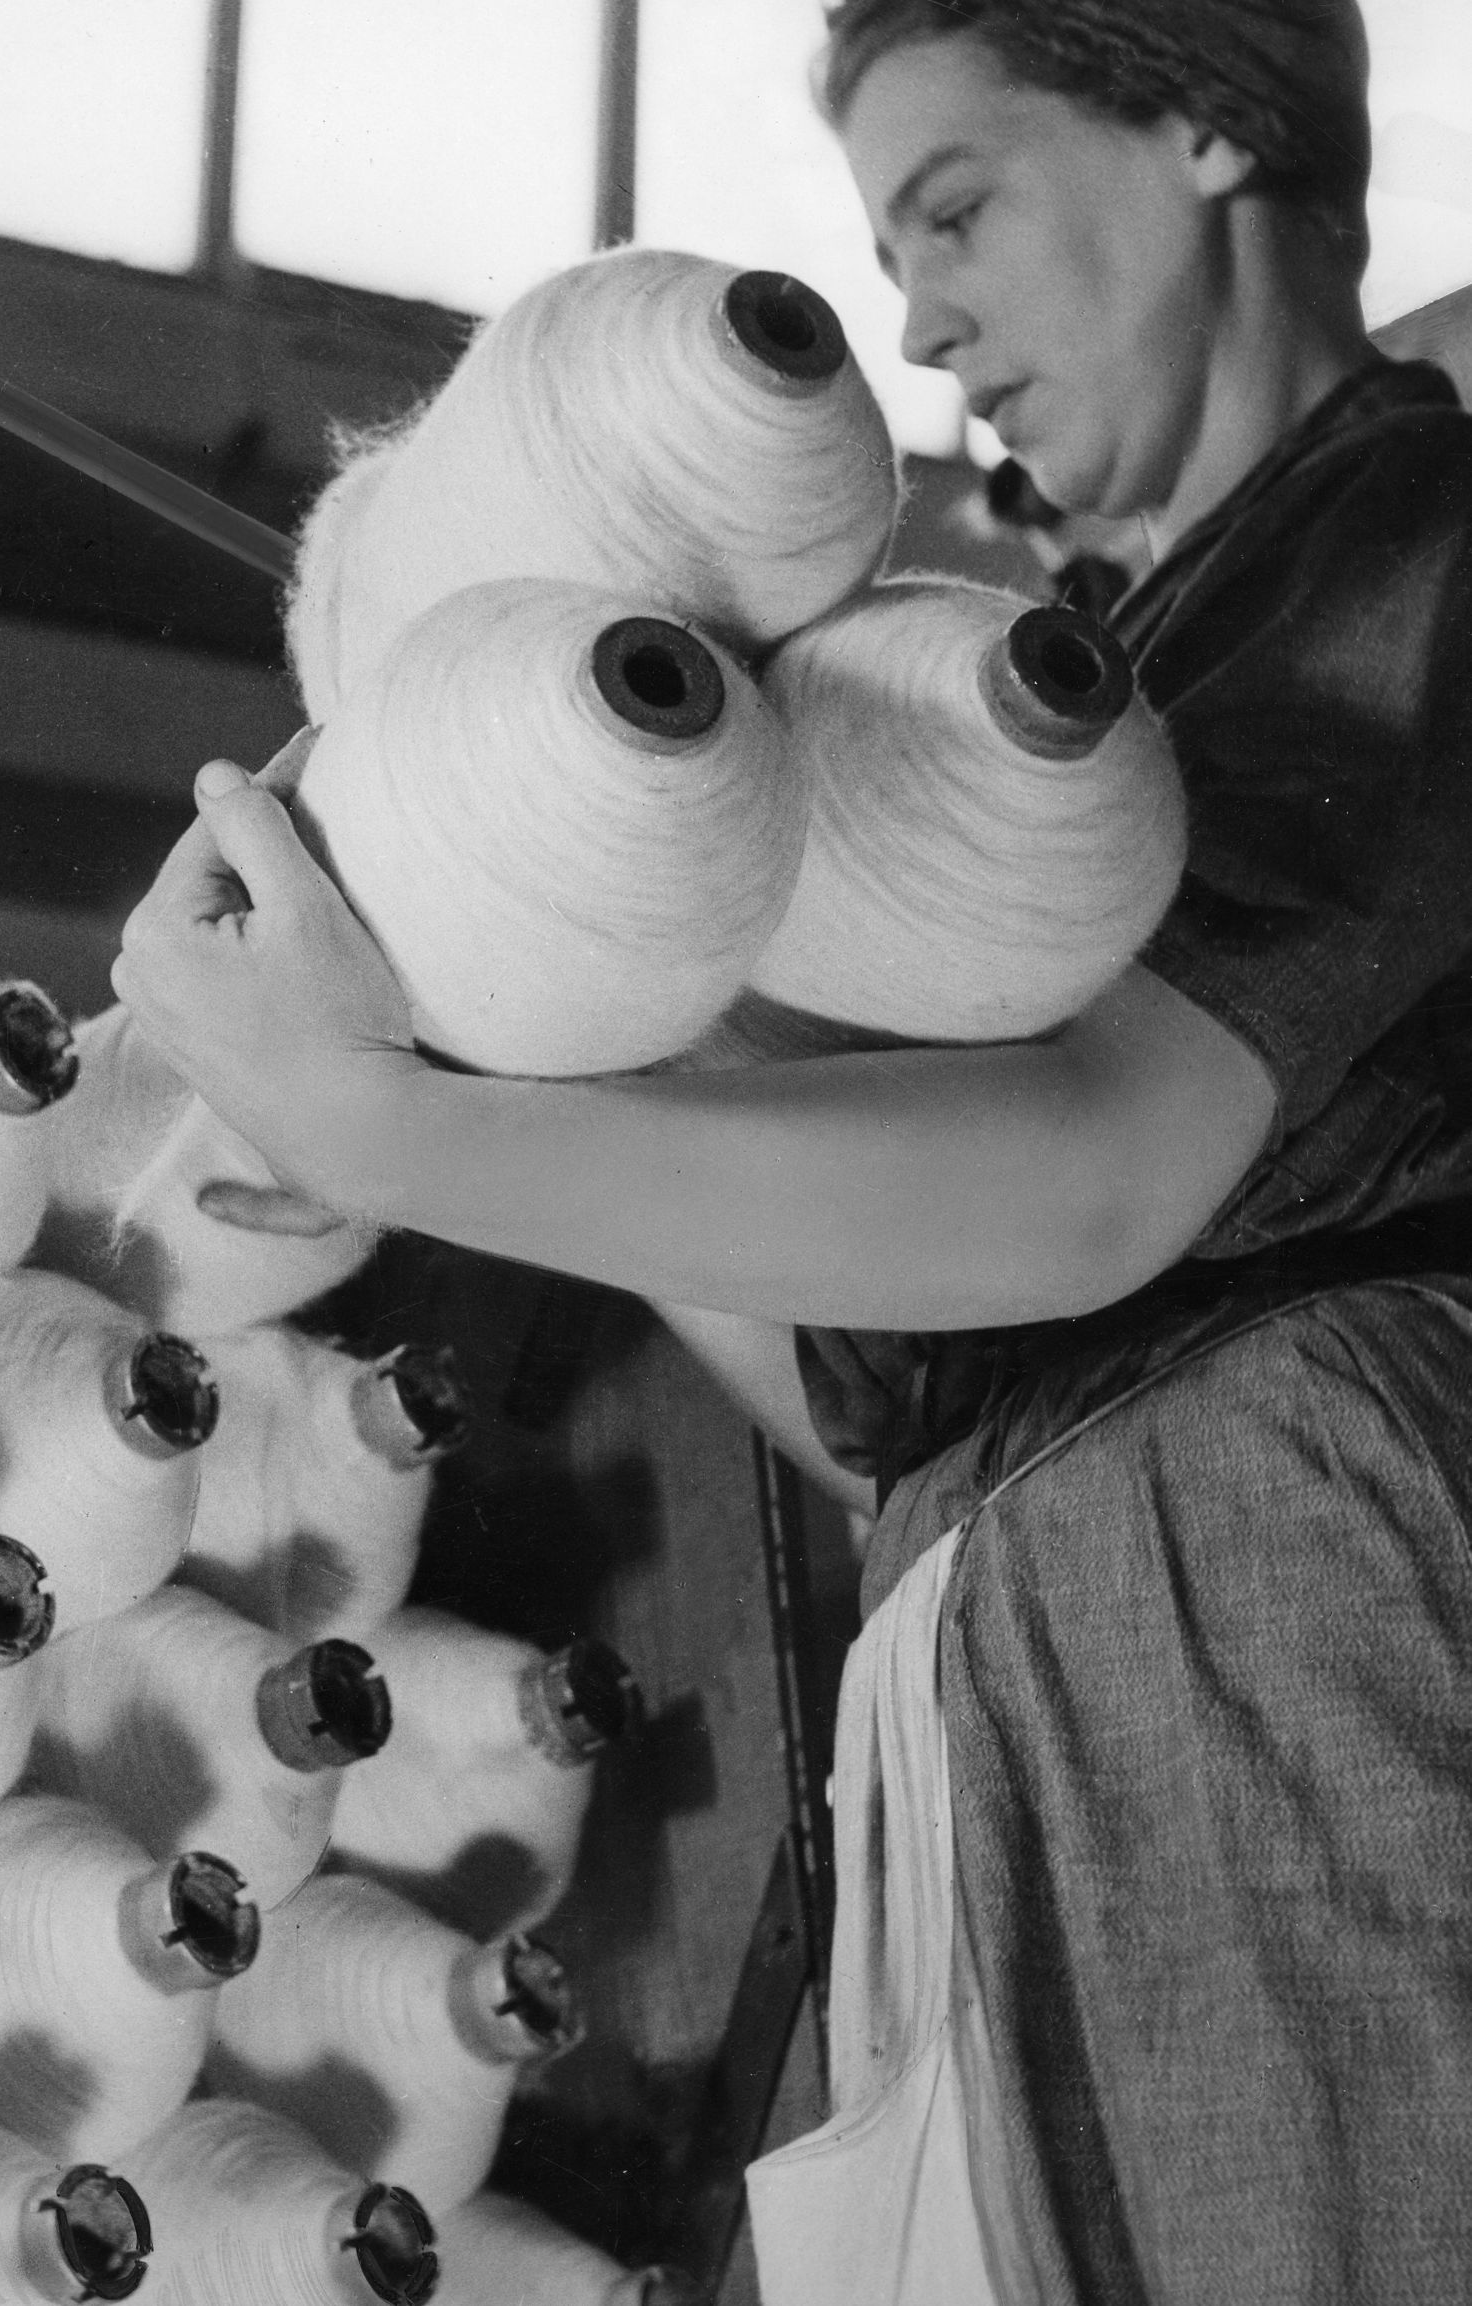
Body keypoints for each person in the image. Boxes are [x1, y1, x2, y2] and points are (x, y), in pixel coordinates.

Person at [113, 1, 1472, 2297]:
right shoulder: (1094, 692)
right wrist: (565, 979)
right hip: (1009, 1644)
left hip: (1270, 1578)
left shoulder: (1415, 539)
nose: (920, 321)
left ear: (1206, 128)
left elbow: (1096, 1170)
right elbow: (872, 1396)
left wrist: (390, 1120)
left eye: (956, 208)